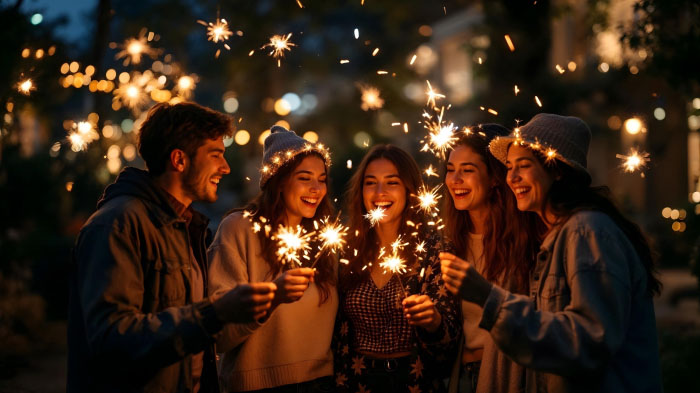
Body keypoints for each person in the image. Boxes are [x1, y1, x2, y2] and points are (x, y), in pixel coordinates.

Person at [440, 113, 663, 392]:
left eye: (524, 165)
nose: (512, 177)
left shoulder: (586, 231)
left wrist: (488, 297)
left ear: (557, 170)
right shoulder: (558, 236)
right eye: (509, 166)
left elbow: (588, 343)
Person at [68, 102, 277, 393]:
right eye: (215, 155)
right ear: (179, 160)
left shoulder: (184, 226)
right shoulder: (118, 225)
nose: (226, 167)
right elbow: (111, 338)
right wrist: (214, 313)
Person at [207, 125, 338, 392]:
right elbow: (218, 334)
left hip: (320, 383)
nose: (316, 188)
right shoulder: (239, 229)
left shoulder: (324, 239)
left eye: (322, 179)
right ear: (278, 181)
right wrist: (273, 297)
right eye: (304, 178)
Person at [333, 144, 461, 393]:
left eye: (391, 182)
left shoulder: (435, 249)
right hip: (356, 383)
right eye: (371, 183)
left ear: (409, 189)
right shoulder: (347, 251)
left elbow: (451, 342)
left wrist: (433, 321)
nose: (380, 192)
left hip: (415, 382)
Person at [442, 124, 545, 393]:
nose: (454, 181)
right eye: (451, 170)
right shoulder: (449, 243)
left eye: (467, 170)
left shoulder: (526, 241)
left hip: (509, 377)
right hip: (462, 378)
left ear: (495, 177)